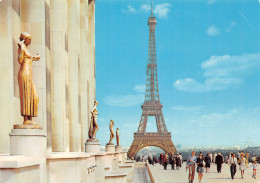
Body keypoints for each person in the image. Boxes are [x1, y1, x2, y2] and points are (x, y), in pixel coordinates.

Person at [17, 32, 40, 125]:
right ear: (24, 39)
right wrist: (22, 48)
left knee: (34, 96)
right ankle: (26, 119)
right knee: (26, 95)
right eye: (29, 39)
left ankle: (30, 118)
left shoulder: (26, 49)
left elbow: (28, 59)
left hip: (29, 75)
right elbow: (20, 60)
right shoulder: (22, 48)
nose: (30, 41)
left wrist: (34, 58)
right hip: (24, 74)